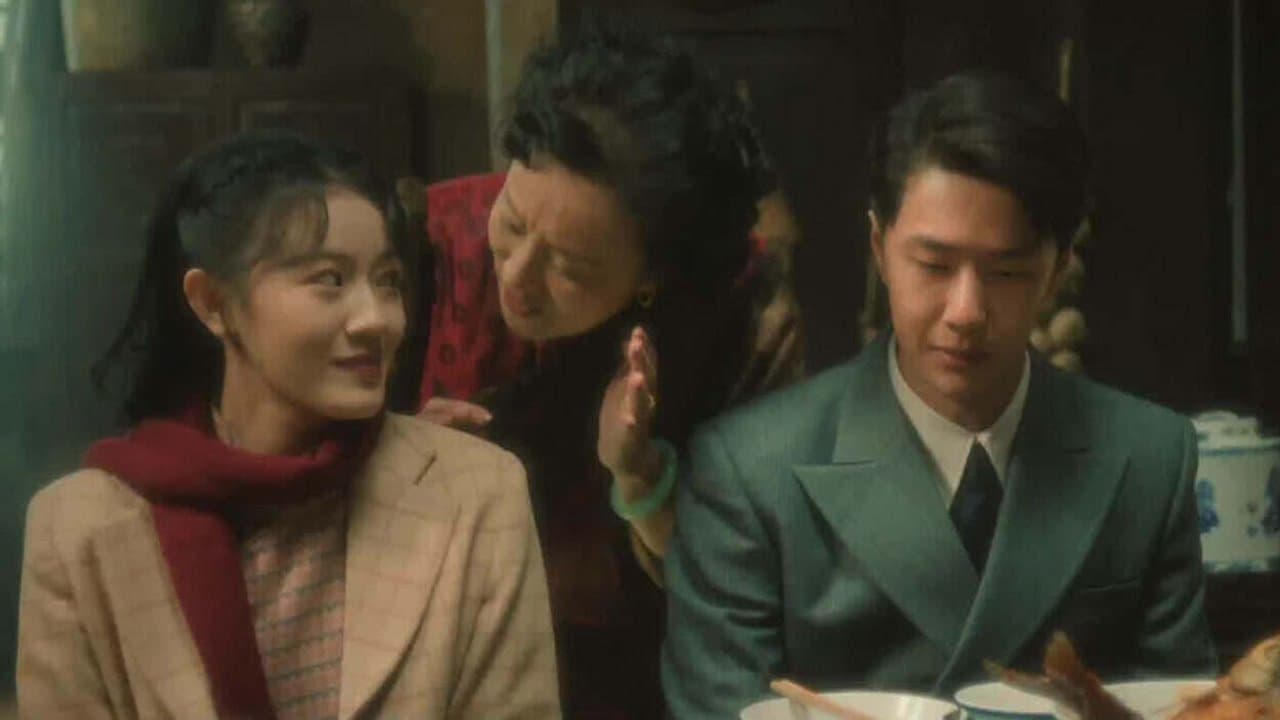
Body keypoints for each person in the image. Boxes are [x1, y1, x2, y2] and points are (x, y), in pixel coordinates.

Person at [662, 70, 1216, 718]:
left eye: (1006, 272)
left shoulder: (1148, 458)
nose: (966, 311)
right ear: (880, 248)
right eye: (933, 266)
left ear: (1057, 270)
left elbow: (1187, 709)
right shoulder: (749, 470)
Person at [16, 130, 560, 720]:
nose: (377, 319)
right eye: (329, 279)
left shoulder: (477, 491)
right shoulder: (79, 531)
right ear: (213, 303)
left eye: (388, 281)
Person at [416, 21, 803, 719]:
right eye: (512, 221)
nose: (517, 277)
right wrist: (394, 465)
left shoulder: (741, 321)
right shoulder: (418, 251)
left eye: (569, 267)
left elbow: (754, 591)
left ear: (654, 274)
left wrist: (640, 477)